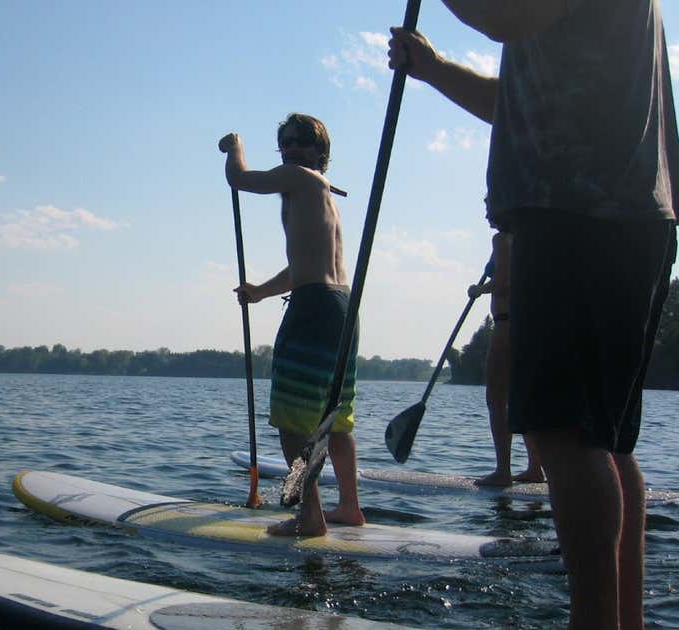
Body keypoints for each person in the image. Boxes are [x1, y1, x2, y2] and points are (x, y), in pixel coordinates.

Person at [389, 3, 677, 628]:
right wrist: (434, 69)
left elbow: (508, 15)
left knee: (565, 436)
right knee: (605, 440)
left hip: (578, 210)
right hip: (623, 212)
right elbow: (515, 102)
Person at [218, 113, 363, 537]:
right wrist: (261, 292)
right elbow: (304, 266)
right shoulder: (318, 193)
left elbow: (240, 179)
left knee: (292, 423)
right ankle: (350, 508)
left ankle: (309, 516)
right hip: (341, 308)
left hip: (315, 308)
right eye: (285, 142)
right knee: (333, 417)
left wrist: (233, 148)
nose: (291, 148)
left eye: (301, 141)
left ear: (321, 152)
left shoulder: (299, 178)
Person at [468, 226, 544, 486]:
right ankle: (535, 467)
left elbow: (505, 281)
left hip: (506, 324)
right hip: (527, 325)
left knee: (497, 399)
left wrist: (479, 290)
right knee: (522, 397)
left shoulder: (503, 238)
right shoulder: (532, 234)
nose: (487, 208)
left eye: (489, 202)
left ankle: (503, 471)